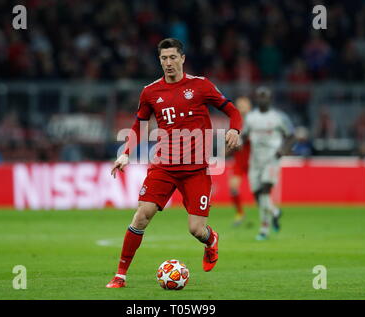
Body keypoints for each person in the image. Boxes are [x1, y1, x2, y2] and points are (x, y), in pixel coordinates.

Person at [106, 38, 242, 288]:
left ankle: (211, 240)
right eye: (163, 59)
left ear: (182, 58)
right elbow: (139, 124)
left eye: (172, 57)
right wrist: (125, 152)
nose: (168, 63)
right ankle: (120, 275)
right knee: (141, 217)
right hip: (164, 167)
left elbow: (233, 111)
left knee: (196, 230)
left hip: (195, 171)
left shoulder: (201, 86)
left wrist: (235, 130)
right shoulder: (150, 92)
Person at [242, 86, 295, 240]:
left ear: (270, 99)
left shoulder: (279, 117)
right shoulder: (250, 118)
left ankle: (264, 230)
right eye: (259, 96)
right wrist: (235, 145)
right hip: (255, 160)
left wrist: (283, 150)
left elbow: (291, 136)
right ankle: (275, 212)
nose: (262, 98)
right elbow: (244, 136)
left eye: (265, 96)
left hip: (272, 158)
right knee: (258, 195)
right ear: (256, 98)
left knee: (265, 191)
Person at [228, 96, 252, 226]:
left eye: (244, 104)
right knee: (233, 188)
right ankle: (240, 213)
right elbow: (231, 144)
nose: (241, 107)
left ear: (249, 106)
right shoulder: (235, 122)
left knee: (258, 191)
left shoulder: (255, 121)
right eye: (239, 105)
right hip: (239, 162)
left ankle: (268, 214)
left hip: (253, 161)